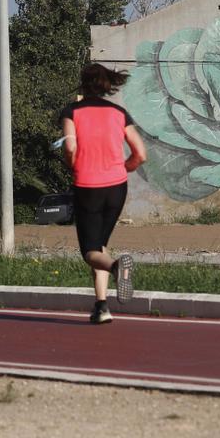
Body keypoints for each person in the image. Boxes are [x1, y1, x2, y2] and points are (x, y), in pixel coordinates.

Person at [58, 63, 147, 324]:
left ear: (83, 84)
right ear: (107, 84)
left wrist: (73, 165)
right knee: (101, 245)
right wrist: (123, 167)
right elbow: (141, 154)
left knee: (89, 252)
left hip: (88, 186)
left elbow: (71, 148)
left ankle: (117, 267)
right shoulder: (119, 113)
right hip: (117, 187)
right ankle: (101, 306)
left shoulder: (72, 112)